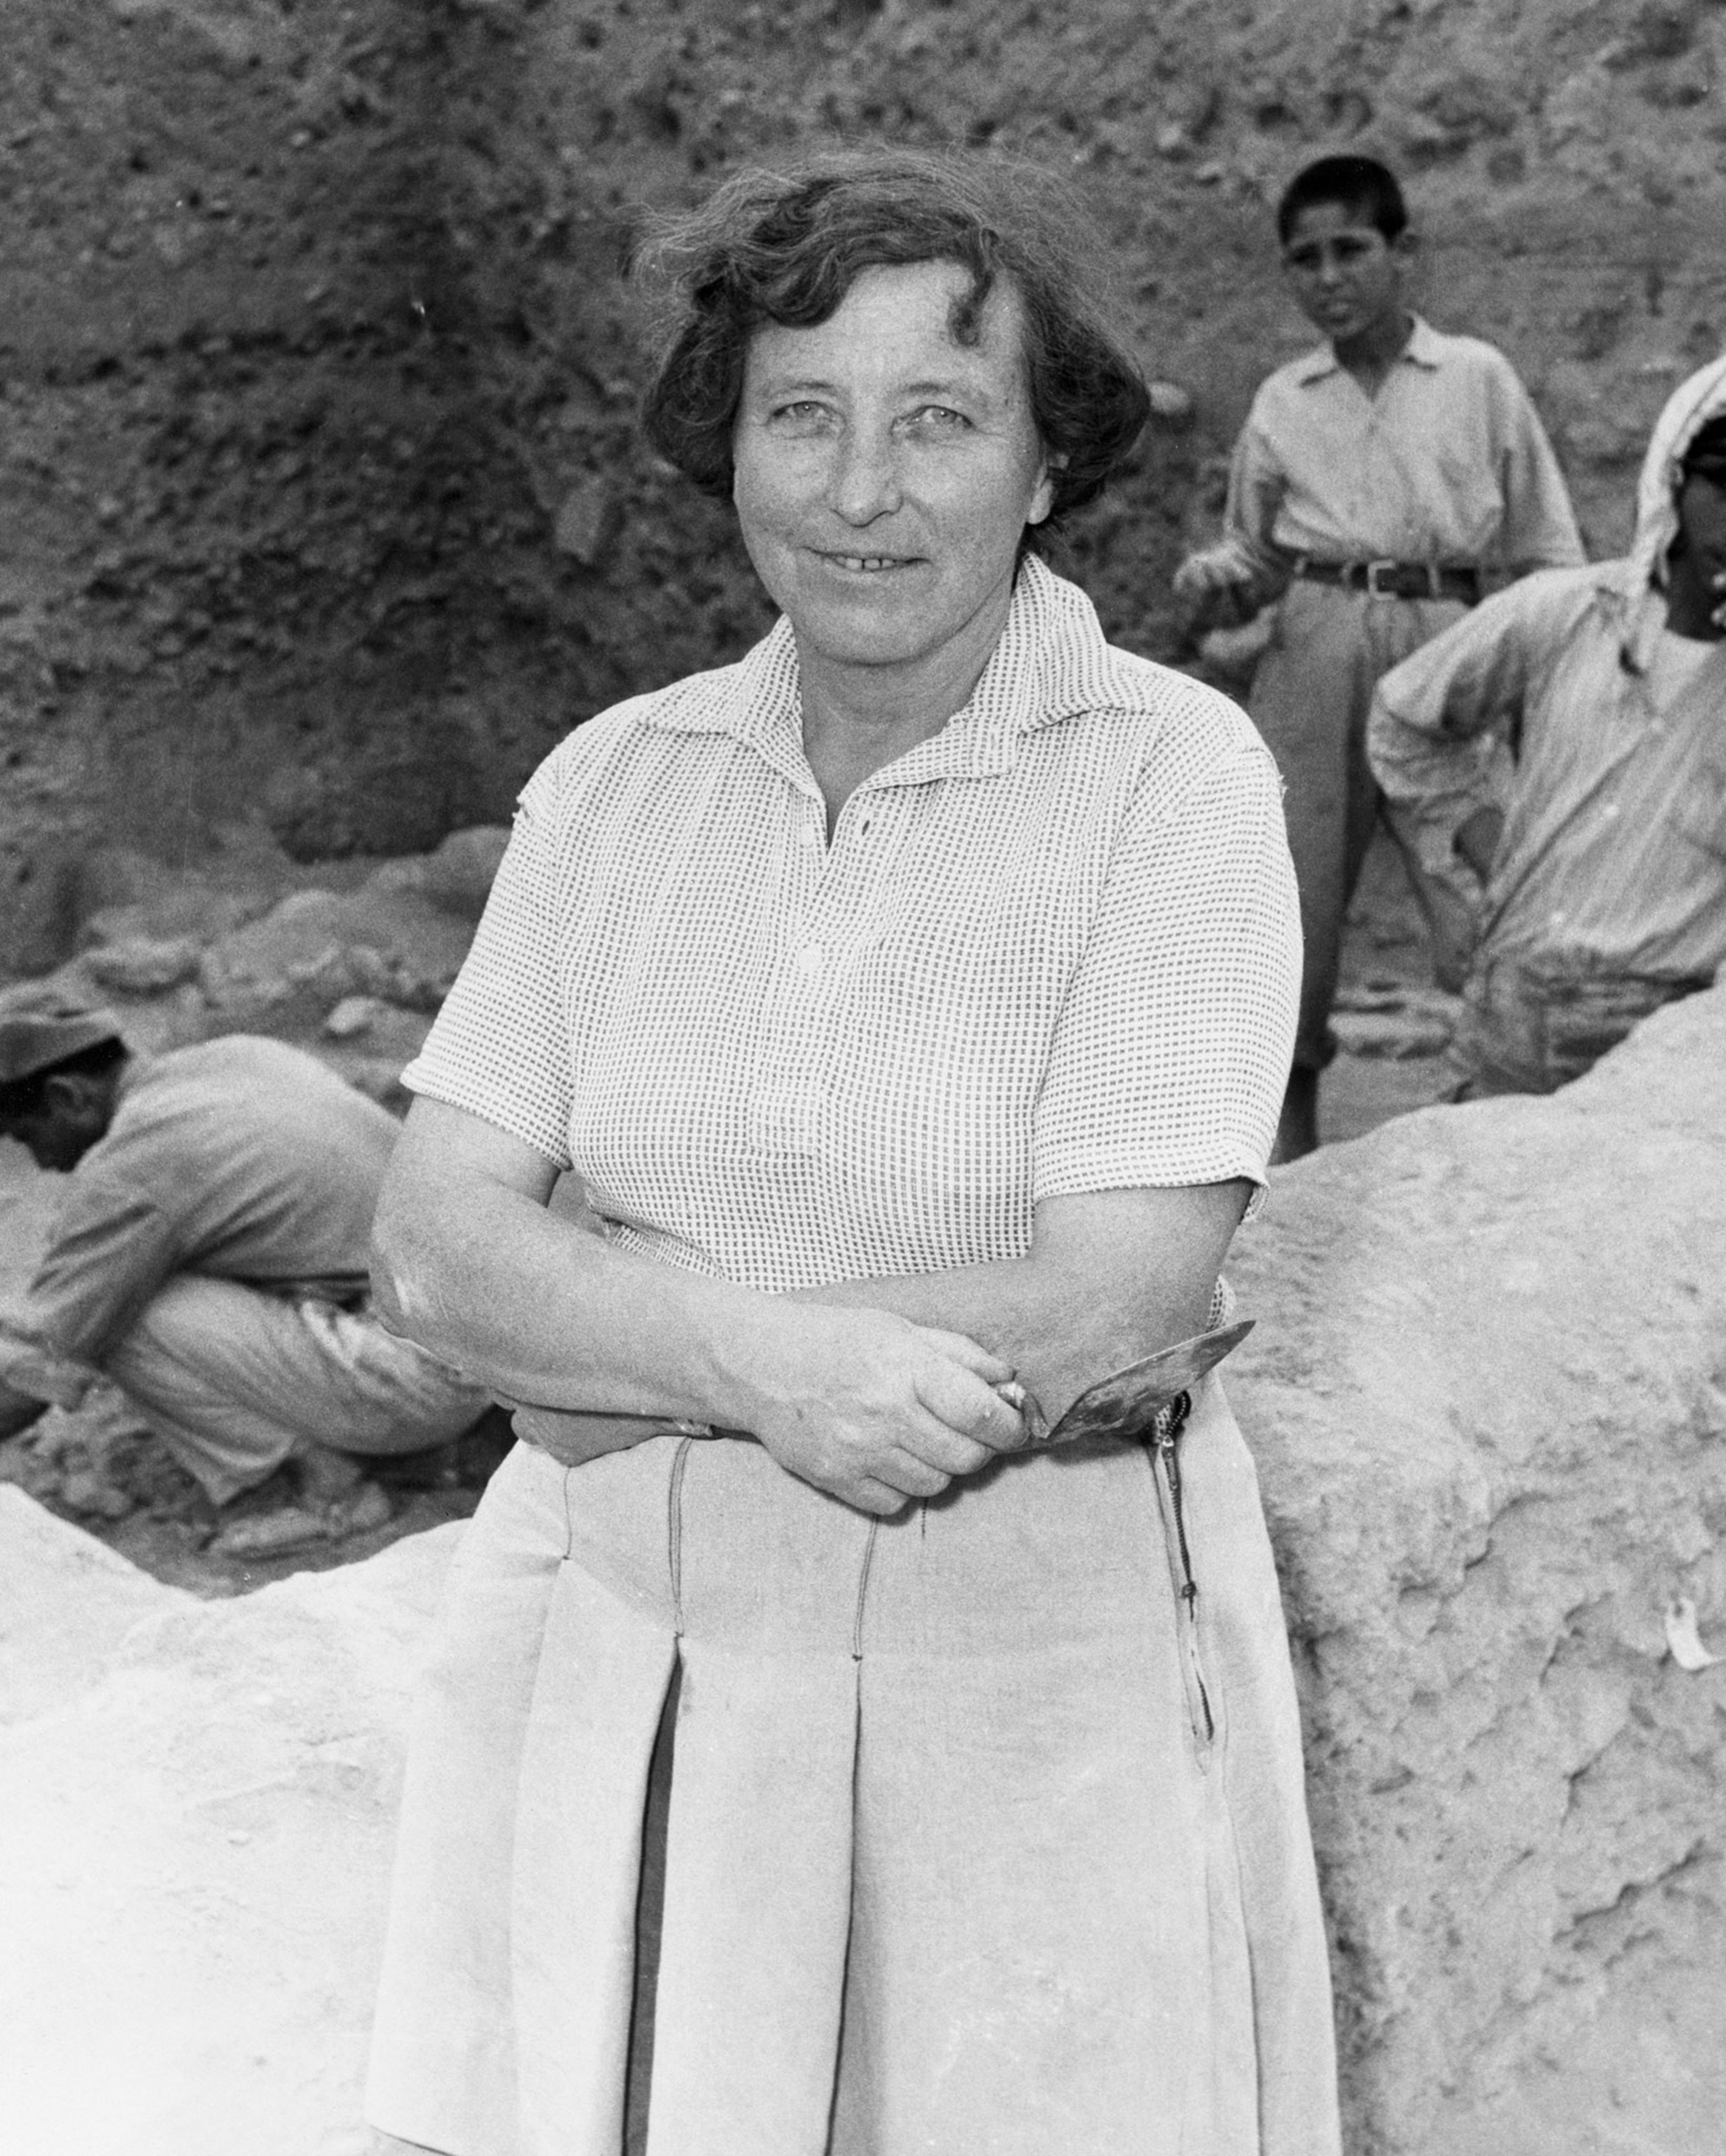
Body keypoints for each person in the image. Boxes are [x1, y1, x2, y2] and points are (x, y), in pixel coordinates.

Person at [365, 149, 1341, 2156]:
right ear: (724, 447)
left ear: (1051, 464)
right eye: (799, 416)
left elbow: (1111, 1297)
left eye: (938, 423)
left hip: (1027, 1669)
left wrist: (606, 1341)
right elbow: (433, 1251)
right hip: (619, 1651)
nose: (859, 492)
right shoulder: (611, 789)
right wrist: (757, 1365)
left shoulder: (1171, 781)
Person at [1173, 152, 1584, 1157]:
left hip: (1445, 647)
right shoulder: (1284, 398)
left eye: (1347, 250)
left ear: (1401, 254)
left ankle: (1499, 1136)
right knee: (1287, 903)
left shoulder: (1475, 377)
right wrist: (1223, 583)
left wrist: (1535, 693)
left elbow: (1545, 552)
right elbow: (1253, 558)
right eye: (1302, 259)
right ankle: (1284, 1161)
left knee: (1482, 884)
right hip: (1311, 642)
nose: (1326, 277)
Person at [0, 992, 493, 1555]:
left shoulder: (132, 1165)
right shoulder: (240, 1056)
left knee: (124, 1314)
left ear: (67, 1097)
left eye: (25, 1136)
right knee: (146, 1273)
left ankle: (336, 1495)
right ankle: (414, 1450)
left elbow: (37, 1362)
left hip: (425, 1381)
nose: (39, 1162)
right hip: (488, 1342)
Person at [1367, 354, 1726, 1096]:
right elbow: (1405, 718)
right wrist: (1486, 844)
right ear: (1671, 481)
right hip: (1511, 1013)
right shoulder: (1565, 613)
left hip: (1662, 1043)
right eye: (1721, 486)